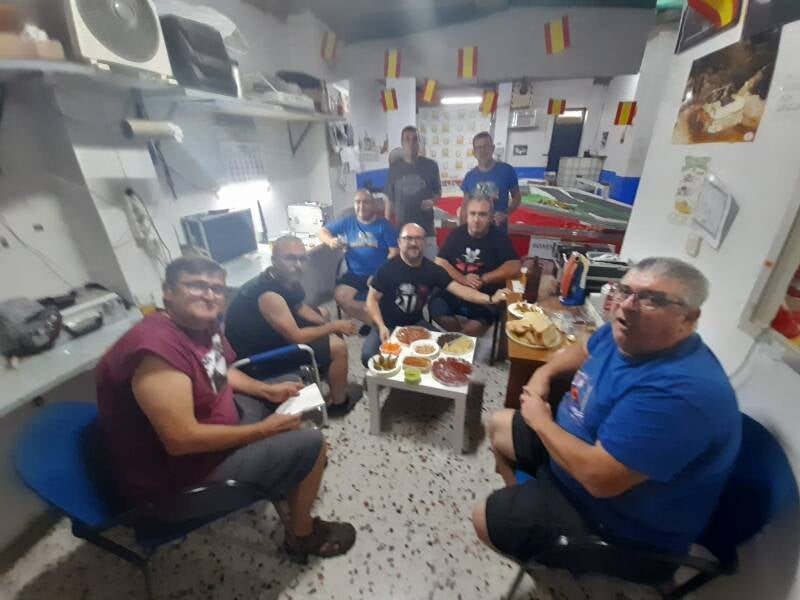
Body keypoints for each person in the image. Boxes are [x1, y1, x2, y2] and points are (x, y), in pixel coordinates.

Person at [472, 257, 741, 567]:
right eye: (625, 291)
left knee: (482, 517)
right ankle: (529, 507)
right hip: (572, 458)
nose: (626, 306)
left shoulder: (680, 394)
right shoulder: (626, 334)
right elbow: (584, 347)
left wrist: (541, 421)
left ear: (688, 318)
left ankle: (541, 535)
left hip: (614, 519)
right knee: (498, 423)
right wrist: (543, 373)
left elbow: (598, 480)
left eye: (651, 299)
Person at [96, 256, 355, 561]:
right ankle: (301, 534)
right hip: (179, 483)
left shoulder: (202, 324)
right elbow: (181, 440)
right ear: (168, 292)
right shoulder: (156, 352)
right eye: (196, 286)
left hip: (212, 432)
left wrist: (266, 390)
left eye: (217, 289)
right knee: (313, 442)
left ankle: (288, 467)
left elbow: (221, 372)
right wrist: (263, 430)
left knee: (286, 385)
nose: (209, 295)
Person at [225, 236, 361, 417]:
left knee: (323, 313)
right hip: (257, 358)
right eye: (290, 258)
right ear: (274, 260)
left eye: (302, 259)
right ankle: (339, 404)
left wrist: (326, 324)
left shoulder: (283, 279)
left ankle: (327, 369)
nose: (297, 265)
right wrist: (333, 327)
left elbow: (298, 306)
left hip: (270, 332)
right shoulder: (269, 295)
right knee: (338, 348)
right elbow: (296, 336)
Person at [362, 223, 509, 365]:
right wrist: (381, 325)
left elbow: (461, 290)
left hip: (416, 323)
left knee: (446, 351)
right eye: (408, 238)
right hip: (387, 324)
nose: (413, 243)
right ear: (399, 242)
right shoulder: (387, 269)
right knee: (368, 356)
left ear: (425, 242)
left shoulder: (433, 270)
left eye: (418, 238)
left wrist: (490, 298)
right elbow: (371, 299)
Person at [431, 195, 520, 336]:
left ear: (491, 217)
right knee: (436, 310)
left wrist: (484, 279)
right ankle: (460, 339)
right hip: (454, 291)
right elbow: (440, 261)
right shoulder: (456, 234)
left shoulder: (500, 238)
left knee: (473, 328)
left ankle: (463, 339)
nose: (476, 220)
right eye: (472, 214)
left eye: (482, 215)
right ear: (466, 215)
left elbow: (514, 266)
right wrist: (463, 279)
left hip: (484, 295)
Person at [319, 189, 398, 335]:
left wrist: (379, 274)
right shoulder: (348, 222)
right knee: (340, 296)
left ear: (373, 204)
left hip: (379, 273)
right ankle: (375, 323)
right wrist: (331, 241)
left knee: (383, 298)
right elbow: (323, 231)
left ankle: (378, 321)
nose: (361, 206)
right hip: (355, 274)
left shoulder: (384, 225)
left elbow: (394, 253)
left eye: (366, 202)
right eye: (358, 202)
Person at [384, 126, 441, 260]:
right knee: (405, 268)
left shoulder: (431, 166)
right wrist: (386, 226)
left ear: (419, 142)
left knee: (430, 267)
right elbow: (389, 199)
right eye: (407, 139)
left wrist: (432, 201)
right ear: (402, 143)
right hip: (402, 232)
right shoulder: (394, 169)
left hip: (426, 229)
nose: (411, 143)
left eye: (415, 139)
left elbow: (437, 192)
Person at [460, 132, 521, 233]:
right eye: (479, 147)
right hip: (475, 232)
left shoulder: (507, 170)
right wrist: (461, 231)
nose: (482, 150)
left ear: (492, 148)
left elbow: (517, 197)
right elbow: (465, 206)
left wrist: (506, 213)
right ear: (474, 152)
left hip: (499, 232)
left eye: (486, 146)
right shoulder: (469, 176)